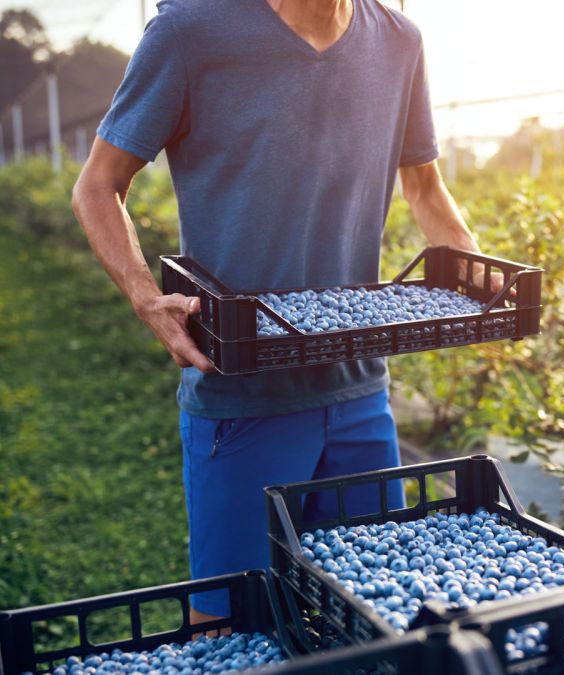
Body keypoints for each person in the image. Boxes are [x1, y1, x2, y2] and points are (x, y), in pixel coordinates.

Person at [72, 0, 494, 625]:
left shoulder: (400, 41)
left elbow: (425, 187)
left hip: (358, 393)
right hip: (242, 395)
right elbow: (98, 182)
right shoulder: (190, 32)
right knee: (230, 622)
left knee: (375, 614)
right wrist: (144, 295)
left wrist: (476, 275)